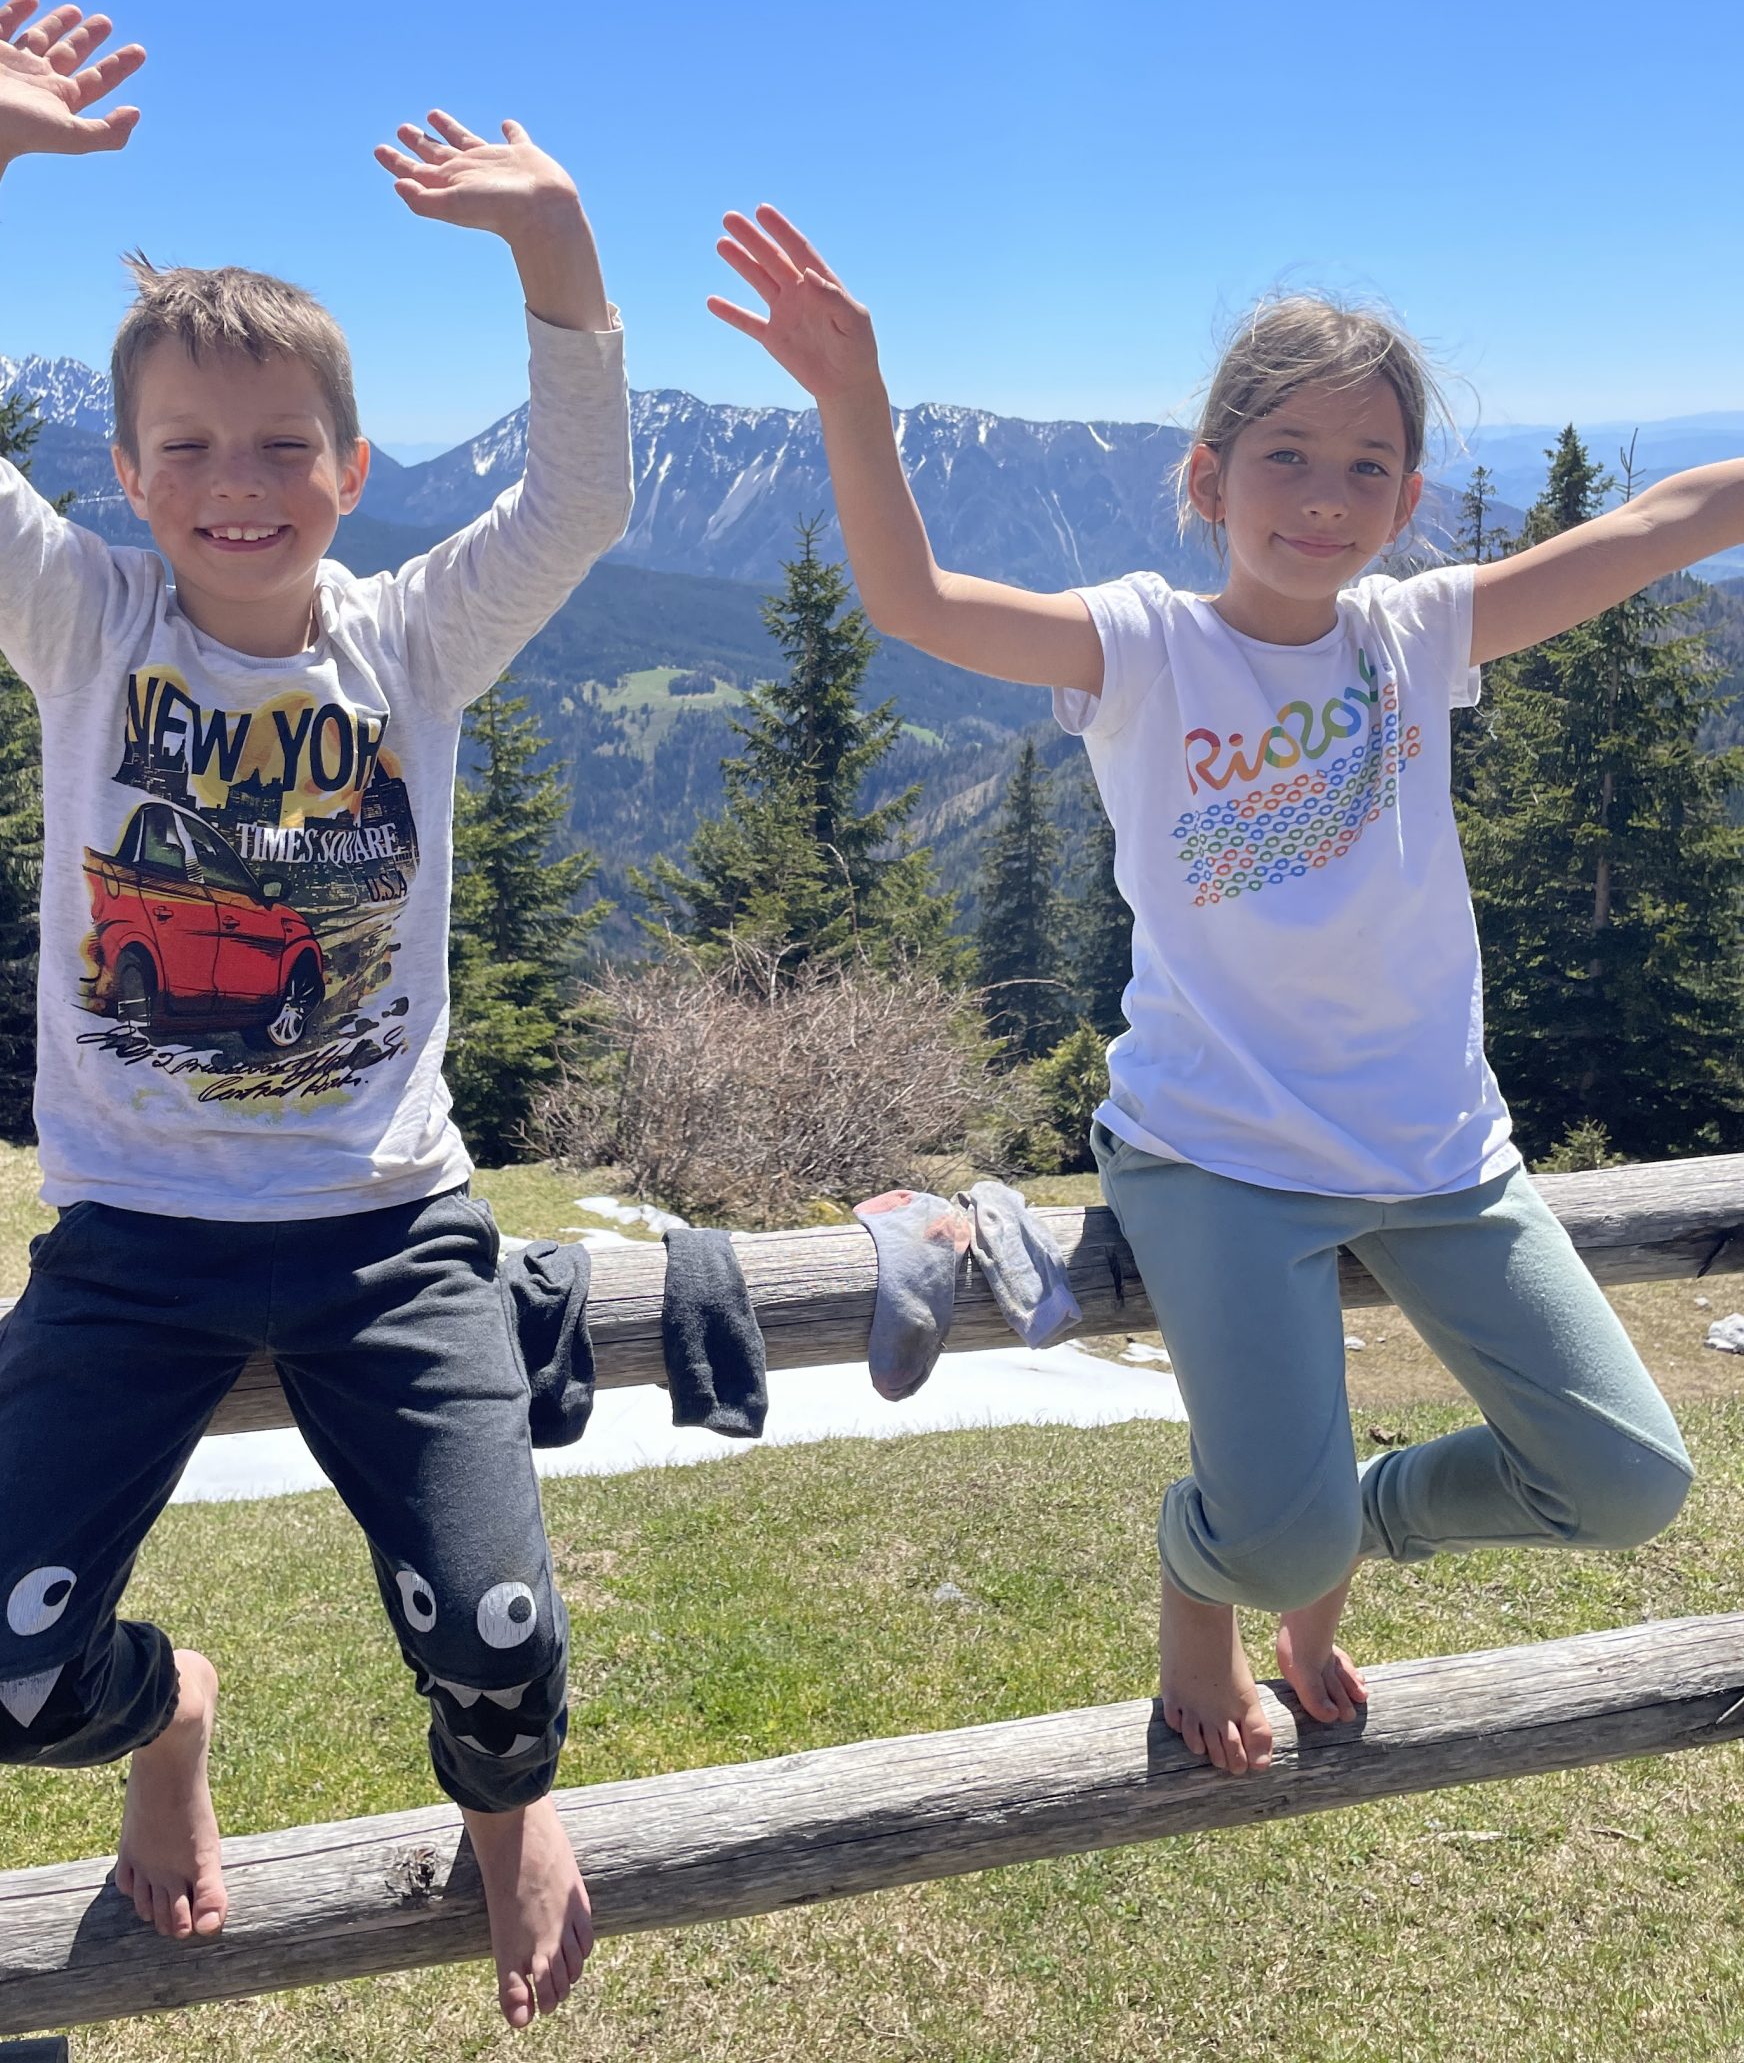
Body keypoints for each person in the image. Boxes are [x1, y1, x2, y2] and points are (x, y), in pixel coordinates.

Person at [0, 0, 634, 2024]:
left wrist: (555, 251)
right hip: (131, 1245)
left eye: (284, 444)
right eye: (187, 447)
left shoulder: (415, 642)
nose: (239, 480)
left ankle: (503, 1803)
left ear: (354, 469)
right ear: (123, 473)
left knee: (506, 1653)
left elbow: (577, 503)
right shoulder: (83, 620)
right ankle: (172, 1713)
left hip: (389, 1232)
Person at [707, 201, 1709, 1777]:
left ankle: (1344, 1530)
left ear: (1409, 498)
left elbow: (1655, 525)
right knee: (1267, 1535)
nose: (1324, 498)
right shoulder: (1146, 650)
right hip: (1216, 1152)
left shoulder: (1420, 632)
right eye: (1286, 456)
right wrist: (854, 398)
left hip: (1441, 1153)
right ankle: (1215, 1575)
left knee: (1629, 1480)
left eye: (1366, 466)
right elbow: (915, 604)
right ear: (1208, 479)